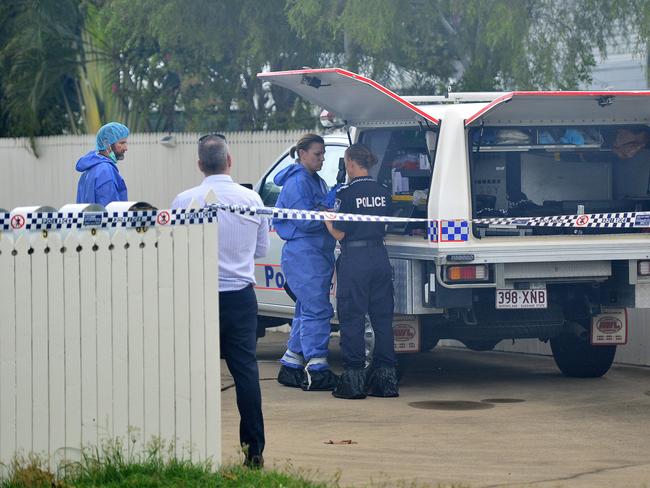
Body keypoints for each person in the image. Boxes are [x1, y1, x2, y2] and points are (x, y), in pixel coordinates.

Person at [171, 133, 269, 468]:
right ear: (230, 160)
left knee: (194, 372)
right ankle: (253, 451)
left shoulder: (183, 201)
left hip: (198, 296)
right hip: (240, 297)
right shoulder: (252, 200)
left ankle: (191, 447)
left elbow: (176, 250)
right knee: (245, 373)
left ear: (199, 164)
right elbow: (261, 251)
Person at [325, 143, 399, 399]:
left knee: (352, 316)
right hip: (379, 256)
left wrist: (326, 219)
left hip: (355, 258)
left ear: (350, 163)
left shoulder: (346, 194)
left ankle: (354, 379)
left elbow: (340, 232)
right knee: (382, 318)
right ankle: (386, 380)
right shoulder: (383, 191)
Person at [273, 133, 339, 391]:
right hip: (305, 254)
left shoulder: (313, 180)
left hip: (314, 254)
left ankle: (291, 364)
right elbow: (306, 220)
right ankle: (317, 367)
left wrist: (328, 204)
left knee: (305, 310)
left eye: (323, 154)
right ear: (302, 154)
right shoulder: (298, 183)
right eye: (317, 154)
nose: (322, 158)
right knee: (317, 310)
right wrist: (328, 213)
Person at [76, 122, 130, 206]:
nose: (126, 148)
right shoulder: (105, 170)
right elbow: (110, 211)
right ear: (107, 144)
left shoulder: (88, 170)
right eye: (122, 143)